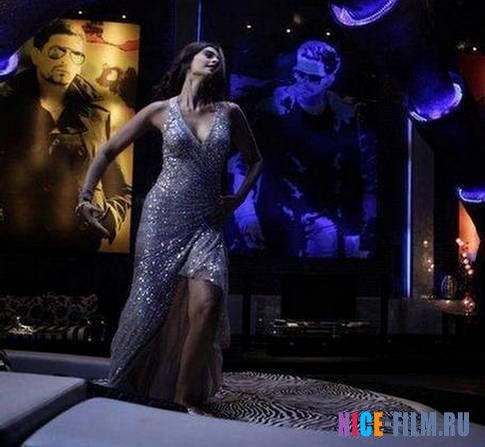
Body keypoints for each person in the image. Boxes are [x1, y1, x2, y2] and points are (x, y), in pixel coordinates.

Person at [76, 42, 263, 410]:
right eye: (207, 53)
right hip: (162, 218)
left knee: (207, 304)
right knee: (146, 307)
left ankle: (183, 399)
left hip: (207, 222)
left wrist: (239, 198)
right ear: (187, 61)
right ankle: (124, 381)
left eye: (219, 56)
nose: (215, 58)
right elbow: (108, 150)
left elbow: (255, 160)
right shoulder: (160, 111)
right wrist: (85, 197)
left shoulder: (229, 112)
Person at [229, 39, 376, 258]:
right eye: (299, 74)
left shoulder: (347, 117)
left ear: (329, 79)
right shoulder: (271, 110)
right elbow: (244, 166)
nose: (304, 82)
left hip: (325, 222)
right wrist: (246, 217)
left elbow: (359, 177)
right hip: (274, 218)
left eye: (313, 78)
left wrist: (354, 231)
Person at [0, 19, 131, 251]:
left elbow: (119, 188)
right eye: (56, 52)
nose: (65, 61)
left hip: (81, 245)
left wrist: (107, 218)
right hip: (18, 243)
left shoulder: (98, 117)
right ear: (37, 55)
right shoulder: (6, 108)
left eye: (75, 55)